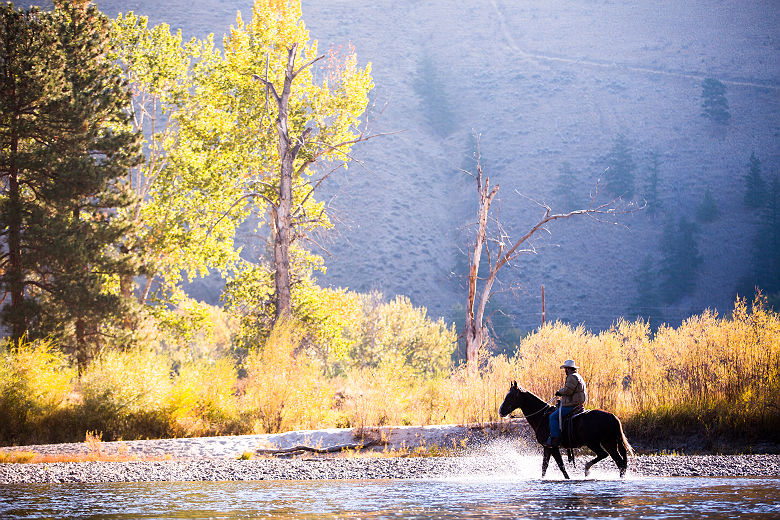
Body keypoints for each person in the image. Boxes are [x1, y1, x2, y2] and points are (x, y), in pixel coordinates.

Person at [546, 359, 588, 447]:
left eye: (565, 368)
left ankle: (556, 438)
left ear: (569, 369)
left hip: (572, 405)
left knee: (553, 417)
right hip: (575, 403)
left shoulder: (571, 377)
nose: (565, 370)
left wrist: (559, 392)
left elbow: (568, 391)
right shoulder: (577, 376)